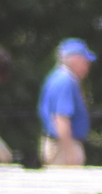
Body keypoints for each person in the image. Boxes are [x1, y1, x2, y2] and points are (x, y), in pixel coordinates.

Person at [38, 38, 93, 166]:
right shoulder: (65, 81)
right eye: (85, 61)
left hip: (61, 144)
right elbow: (61, 118)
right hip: (62, 146)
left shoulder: (59, 78)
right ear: (75, 59)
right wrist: (70, 151)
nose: (88, 66)